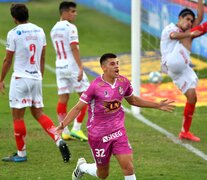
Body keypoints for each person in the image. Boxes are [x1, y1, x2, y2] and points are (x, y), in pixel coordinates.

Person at [56, 53, 175, 180]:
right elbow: (78, 108)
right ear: (103, 67)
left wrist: (157, 105)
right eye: (112, 64)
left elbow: (133, 100)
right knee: (102, 174)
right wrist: (63, 125)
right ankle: (82, 167)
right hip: (98, 135)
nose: (117, 66)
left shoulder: (123, 82)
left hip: (118, 132)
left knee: (128, 167)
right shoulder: (95, 87)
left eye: (117, 63)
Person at [0, 4, 70, 163]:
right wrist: (40, 76)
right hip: (36, 78)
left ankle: (21, 154)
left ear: (14, 18)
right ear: (27, 14)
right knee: (39, 113)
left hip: (20, 79)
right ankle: (58, 139)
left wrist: (1, 79)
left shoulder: (13, 33)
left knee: (17, 117)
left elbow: (7, 59)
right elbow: (43, 57)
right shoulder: (39, 30)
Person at [160, 0, 205, 142]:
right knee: (191, 35)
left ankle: (185, 132)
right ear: (179, 18)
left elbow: (199, 17)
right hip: (171, 62)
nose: (189, 22)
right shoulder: (170, 28)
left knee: (192, 97)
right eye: (187, 19)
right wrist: (191, 33)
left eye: (191, 21)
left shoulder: (186, 31)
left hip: (182, 68)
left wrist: (200, 2)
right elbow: (174, 36)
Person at [50, 1, 89, 141]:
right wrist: (80, 66)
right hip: (71, 66)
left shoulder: (53, 29)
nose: (75, 14)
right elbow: (73, 47)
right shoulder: (71, 27)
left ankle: (64, 130)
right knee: (86, 96)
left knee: (63, 99)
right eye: (72, 11)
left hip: (59, 66)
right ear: (65, 12)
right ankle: (76, 129)